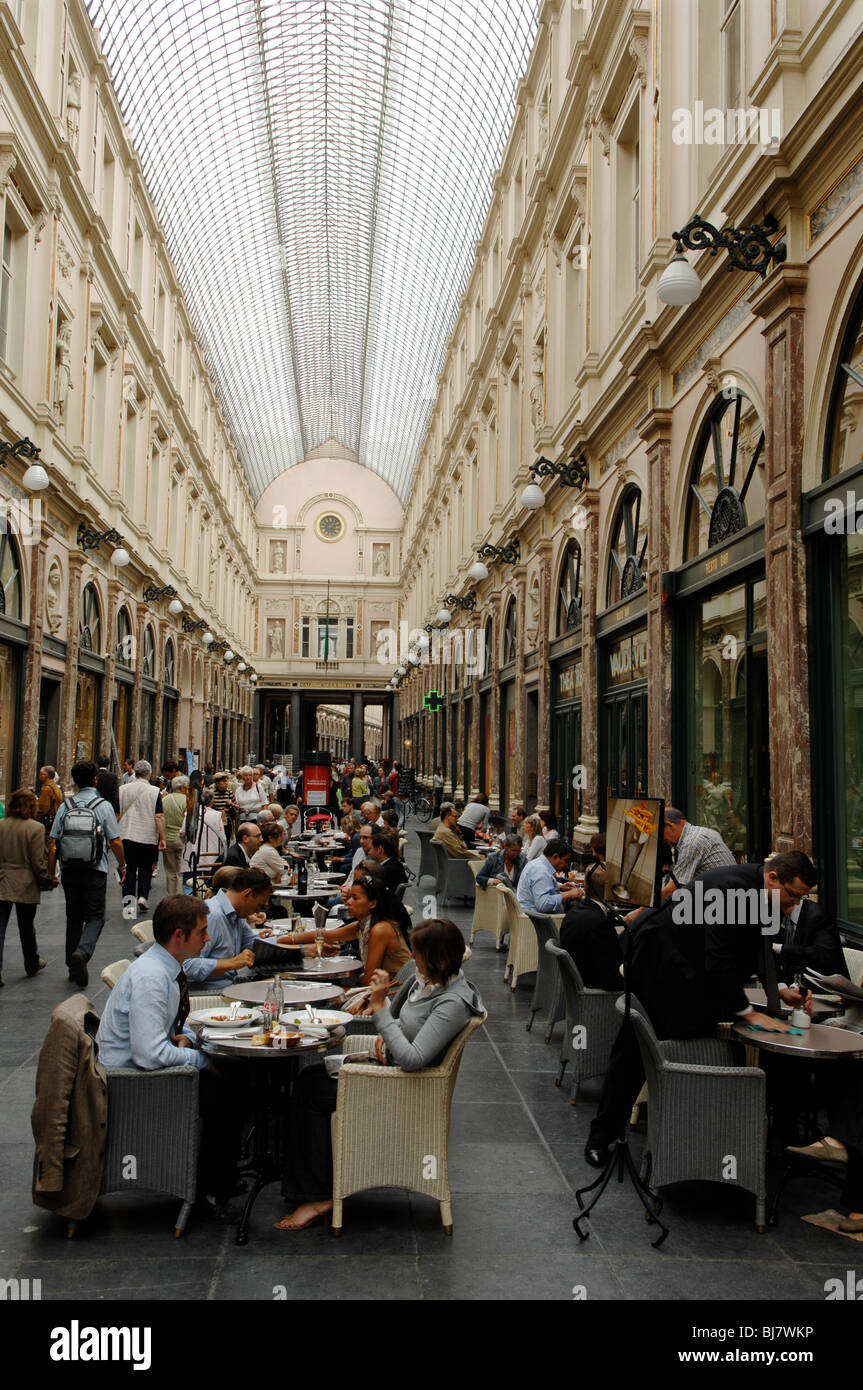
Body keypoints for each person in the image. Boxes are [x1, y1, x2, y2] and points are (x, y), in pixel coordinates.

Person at [583, 851, 810, 1168]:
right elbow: (719, 959)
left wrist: (782, 989)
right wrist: (746, 1012)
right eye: (793, 895)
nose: (795, 905)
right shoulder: (734, 890)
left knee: (708, 1046)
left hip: (691, 974)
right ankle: (602, 1137)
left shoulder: (765, 894)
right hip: (661, 965)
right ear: (773, 878)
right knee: (633, 1053)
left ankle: (705, 1142)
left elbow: (756, 949)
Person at [275, 917, 484, 1230]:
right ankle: (311, 1180)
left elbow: (413, 1059)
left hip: (405, 1088)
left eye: (417, 953)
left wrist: (381, 1010)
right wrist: (388, 1021)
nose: (411, 958)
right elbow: (403, 1023)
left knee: (310, 1091)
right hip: (386, 1068)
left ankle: (318, 1195)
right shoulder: (427, 981)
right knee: (309, 1079)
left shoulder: (452, 1003)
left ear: (437, 958)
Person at [96, 894, 247, 1222]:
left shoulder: (165, 967)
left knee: (233, 1078)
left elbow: (161, 1033)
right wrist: (202, 1061)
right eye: (202, 932)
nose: (208, 939)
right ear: (179, 935)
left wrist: (188, 1039)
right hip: (131, 1083)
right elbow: (149, 1055)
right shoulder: (152, 978)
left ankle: (219, 1175)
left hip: (138, 1067)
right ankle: (212, 1189)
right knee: (225, 1094)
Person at [48, 760, 125, 987]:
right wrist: (123, 866)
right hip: (95, 871)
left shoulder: (66, 805)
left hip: (69, 871)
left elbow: (53, 841)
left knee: (73, 917)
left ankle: (72, 966)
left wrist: (53, 872)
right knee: (95, 917)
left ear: (74, 780)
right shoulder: (103, 806)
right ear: (95, 780)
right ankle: (82, 952)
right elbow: (116, 841)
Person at [183, 866, 271, 987]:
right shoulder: (212, 916)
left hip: (231, 984)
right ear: (247, 894)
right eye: (259, 905)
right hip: (211, 994)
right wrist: (232, 963)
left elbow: (252, 943)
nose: (257, 910)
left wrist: (293, 944)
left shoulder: (237, 913)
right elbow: (188, 966)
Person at [0, 787, 53, 984]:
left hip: (3, 881)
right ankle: (31, 963)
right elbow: (37, 862)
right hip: (25, 883)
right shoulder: (35, 828)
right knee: (26, 926)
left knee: (0, 928)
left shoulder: (1, 825)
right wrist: (47, 881)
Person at [559, 863, 623, 991]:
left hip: (575, 986)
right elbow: (612, 974)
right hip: (596, 992)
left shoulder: (573, 912)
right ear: (609, 890)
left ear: (586, 886)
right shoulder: (599, 923)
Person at [118, 759, 166, 912]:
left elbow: (118, 813)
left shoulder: (123, 789)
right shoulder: (154, 791)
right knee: (145, 868)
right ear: (149, 774)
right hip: (147, 835)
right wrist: (162, 837)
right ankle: (143, 897)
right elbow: (159, 816)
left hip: (127, 834)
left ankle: (128, 905)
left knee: (130, 868)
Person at [658, 806, 735, 899]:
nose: (663, 840)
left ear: (669, 825)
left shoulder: (692, 842)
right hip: (728, 895)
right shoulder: (705, 832)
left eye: (661, 834)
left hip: (721, 901)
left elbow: (672, 890)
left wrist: (640, 912)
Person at [517, 842, 582, 915]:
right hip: (536, 919)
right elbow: (542, 905)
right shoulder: (541, 871)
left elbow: (537, 887)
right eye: (565, 860)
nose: (566, 865)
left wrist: (560, 886)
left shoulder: (537, 863)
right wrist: (568, 894)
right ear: (555, 856)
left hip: (531, 913)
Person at [180, 787, 227, 890]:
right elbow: (222, 837)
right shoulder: (217, 815)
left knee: (189, 883)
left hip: (192, 853)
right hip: (211, 854)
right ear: (211, 801)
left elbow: (182, 833)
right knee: (208, 884)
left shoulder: (190, 814)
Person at [162, 774, 189, 897]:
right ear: (183, 787)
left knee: (170, 871)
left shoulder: (164, 800)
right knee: (181, 871)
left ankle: (171, 897)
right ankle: (180, 896)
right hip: (182, 839)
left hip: (167, 838)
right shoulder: (186, 800)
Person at [367, 828, 408, 893]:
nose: (368, 852)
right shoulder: (394, 864)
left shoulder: (384, 871)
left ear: (380, 849)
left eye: (370, 848)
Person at [211, 771, 239, 844]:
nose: (226, 783)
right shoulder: (212, 794)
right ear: (217, 783)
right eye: (223, 782)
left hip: (227, 822)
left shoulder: (229, 793)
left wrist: (231, 804)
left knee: (226, 840)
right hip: (215, 821)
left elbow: (237, 807)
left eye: (227, 781)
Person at [36, 765, 64, 834]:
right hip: (54, 822)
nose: (39, 776)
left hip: (47, 826)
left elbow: (42, 809)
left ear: (45, 775)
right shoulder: (56, 787)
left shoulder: (47, 789)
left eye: (40, 774)